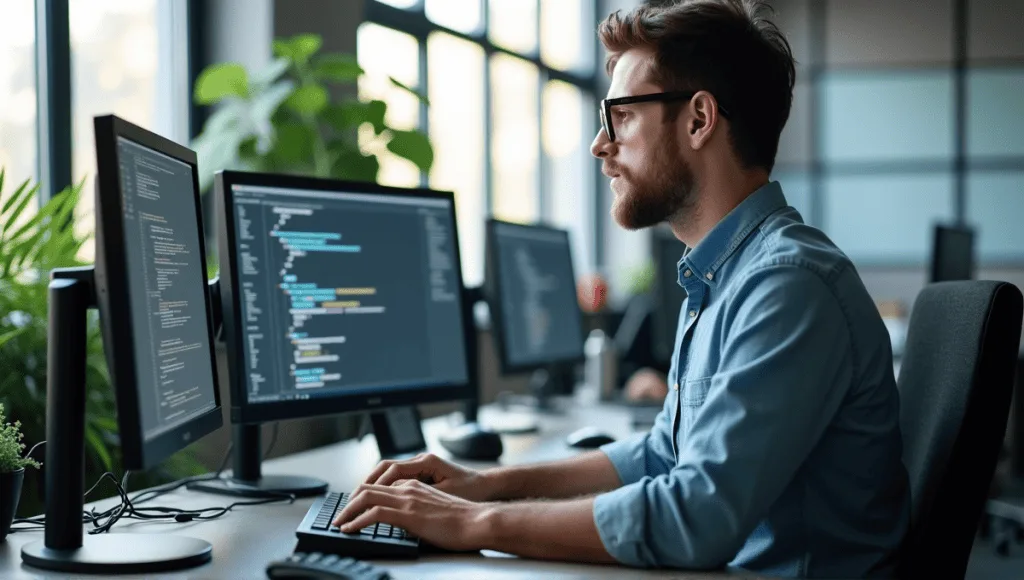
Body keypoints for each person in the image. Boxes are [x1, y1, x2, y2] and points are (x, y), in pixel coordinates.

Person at [333, 0, 910, 576]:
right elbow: (663, 453)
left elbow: (695, 519)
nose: (599, 145)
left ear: (699, 119)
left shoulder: (786, 285)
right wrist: (485, 486)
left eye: (621, 116)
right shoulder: (724, 275)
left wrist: (470, 524)